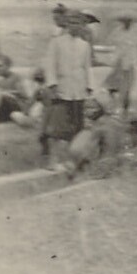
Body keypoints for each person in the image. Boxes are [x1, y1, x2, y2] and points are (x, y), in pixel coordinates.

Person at [39, 12, 96, 172]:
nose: (74, 26)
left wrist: (90, 86)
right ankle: (53, 161)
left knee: (77, 126)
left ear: (82, 25)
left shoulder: (84, 45)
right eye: (71, 23)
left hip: (78, 89)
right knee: (57, 127)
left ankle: (72, 160)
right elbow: (50, 65)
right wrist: (52, 85)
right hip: (61, 90)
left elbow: (87, 67)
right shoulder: (57, 42)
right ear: (67, 24)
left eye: (78, 23)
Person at [108, 13, 137, 116]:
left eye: (129, 21)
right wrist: (115, 56)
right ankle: (119, 105)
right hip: (120, 60)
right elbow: (112, 42)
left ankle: (128, 105)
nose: (127, 23)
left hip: (133, 60)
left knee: (131, 83)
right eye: (125, 21)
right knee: (120, 84)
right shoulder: (117, 31)